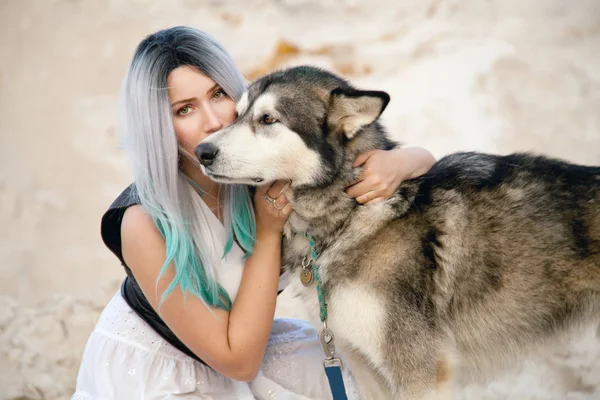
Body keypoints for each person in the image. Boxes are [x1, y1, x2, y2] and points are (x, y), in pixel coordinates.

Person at [71, 26, 436, 400]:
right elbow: (237, 361)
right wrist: (266, 232)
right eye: (184, 109)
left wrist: (403, 161)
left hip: (252, 345)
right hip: (159, 371)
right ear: (158, 126)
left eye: (218, 94)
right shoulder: (142, 221)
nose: (213, 121)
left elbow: (364, 155)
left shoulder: (260, 167)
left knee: (370, 373)